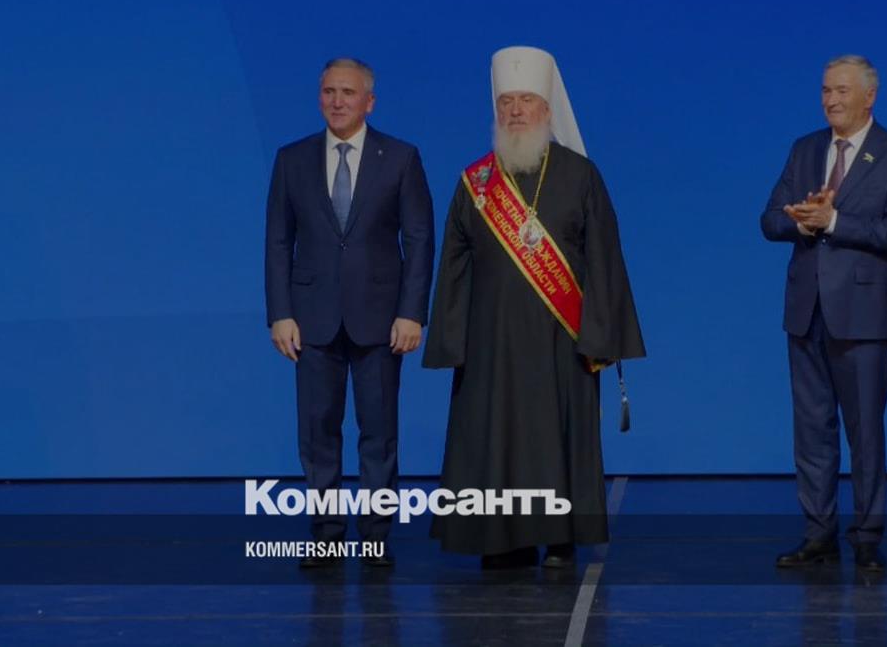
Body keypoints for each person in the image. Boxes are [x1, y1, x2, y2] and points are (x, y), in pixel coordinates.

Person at [422, 46, 645, 569]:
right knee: (493, 439)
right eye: (507, 102)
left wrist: (600, 337)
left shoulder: (581, 175)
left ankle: (561, 538)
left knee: (556, 439)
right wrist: (453, 340)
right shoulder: (476, 182)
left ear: (547, 109)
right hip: (491, 344)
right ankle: (503, 540)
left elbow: (604, 261)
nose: (516, 110)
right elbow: (454, 264)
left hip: (560, 341)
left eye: (526, 101)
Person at [265, 57, 435, 568]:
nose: (336, 101)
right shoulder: (291, 159)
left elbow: (419, 240)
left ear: (369, 102)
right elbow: (278, 242)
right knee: (318, 431)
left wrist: (412, 313)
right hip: (311, 319)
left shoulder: (400, 158)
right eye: (328, 92)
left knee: (378, 433)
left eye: (347, 92)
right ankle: (327, 533)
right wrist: (280, 312)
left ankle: (376, 536)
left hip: (381, 321)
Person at [761, 55, 887, 571]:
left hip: (864, 316)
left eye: (842, 91)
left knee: (864, 431)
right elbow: (768, 219)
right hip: (806, 311)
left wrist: (834, 221)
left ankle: (867, 537)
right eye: (826, 90)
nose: (831, 100)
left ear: (870, 96)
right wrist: (800, 222)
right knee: (812, 431)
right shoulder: (805, 149)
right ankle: (818, 536)